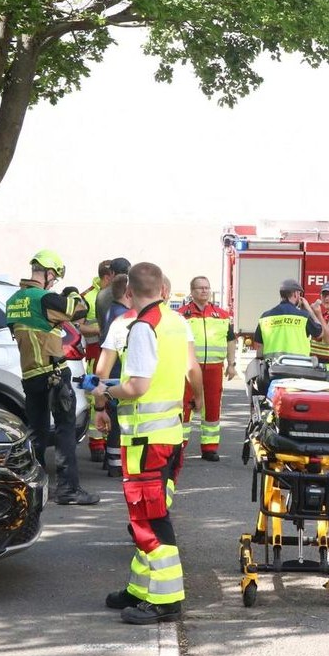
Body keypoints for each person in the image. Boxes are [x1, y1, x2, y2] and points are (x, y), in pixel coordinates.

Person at [90, 261, 201, 625]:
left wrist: (105, 390)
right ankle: (141, 588)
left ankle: (167, 600)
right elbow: (190, 370)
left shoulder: (141, 327)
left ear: (129, 292)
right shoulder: (174, 320)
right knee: (146, 514)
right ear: (162, 289)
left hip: (145, 440)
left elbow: (137, 386)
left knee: (150, 519)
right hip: (168, 436)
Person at [5, 250, 100, 505]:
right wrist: (70, 292)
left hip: (29, 374)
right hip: (54, 374)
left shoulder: (14, 300)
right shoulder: (45, 298)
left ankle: (34, 490)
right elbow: (79, 310)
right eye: (54, 277)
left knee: (35, 431)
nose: (54, 282)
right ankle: (68, 490)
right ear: (48, 273)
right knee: (65, 431)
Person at [178, 276, 236, 462]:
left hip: (214, 368)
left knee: (212, 407)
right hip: (188, 368)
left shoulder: (222, 315)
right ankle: (179, 445)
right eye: (200, 288)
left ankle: (210, 447)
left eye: (207, 288)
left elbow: (230, 340)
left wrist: (232, 364)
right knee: (185, 406)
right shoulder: (181, 315)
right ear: (192, 291)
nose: (204, 291)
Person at [91, 273, 134, 476]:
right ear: (128, 293)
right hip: (118, 373)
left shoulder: (112, 310)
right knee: (118, 421)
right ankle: (116, 464)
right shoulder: (123, 317)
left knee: (115, 419)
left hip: (111, 372)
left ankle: (112, 460)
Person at [249, 279, 326, 385]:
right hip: (300, 370)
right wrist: (309, 310)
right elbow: (320, 333)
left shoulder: (265, 317)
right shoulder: (303, 316)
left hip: (273, 370)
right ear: (295, 294)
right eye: (299, 294)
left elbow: (259, 348)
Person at [79, 259, 115, 463]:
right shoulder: (87, 297)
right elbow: (77, 326)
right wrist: (101, 330)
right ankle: (96, 443)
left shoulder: (118, 295)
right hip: (95, 353)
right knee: (96, 397)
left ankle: (110, 440)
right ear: (107, 276)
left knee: (111, 395)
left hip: (112, 352)